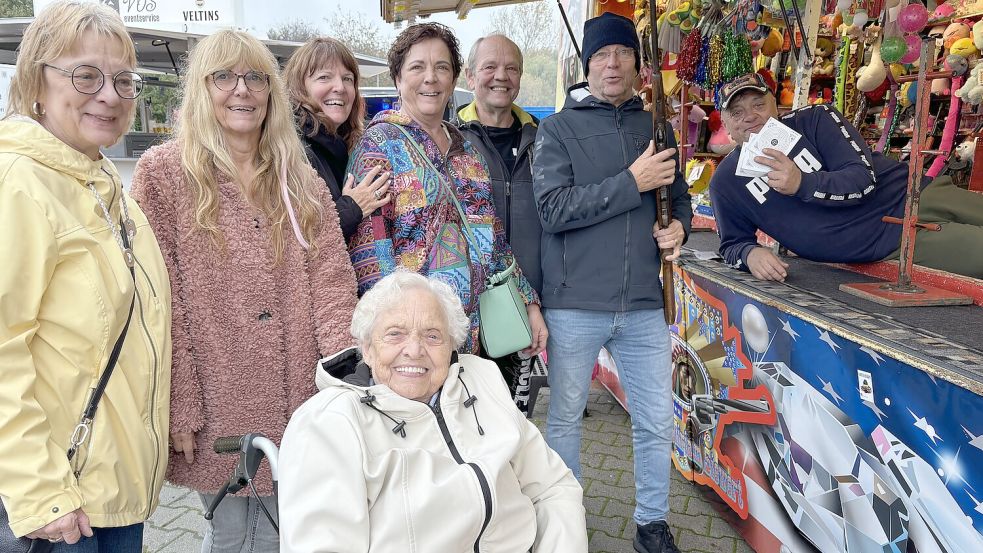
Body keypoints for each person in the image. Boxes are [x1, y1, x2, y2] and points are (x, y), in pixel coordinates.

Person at [130, 30, 358, 553]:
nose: (243, 90)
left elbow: (331, 281)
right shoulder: (163, 173)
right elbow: (157, 300)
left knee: (293, 523)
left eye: (256, 77)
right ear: (200, 89)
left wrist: (347, 375)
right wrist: (179, 405)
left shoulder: (298, 176)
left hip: (299, 390)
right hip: (216, 394)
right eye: (224, 77)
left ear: (272, 92)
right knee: (233, 531)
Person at [0, 2, 171, 551]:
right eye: (86, 75)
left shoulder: (104, 186)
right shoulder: (18, 185)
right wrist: (40, 490)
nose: (109, 94)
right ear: (36, 84)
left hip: (110, 491)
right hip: (57, 504)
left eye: (124, 79)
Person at [278, 271, 588, 553]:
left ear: (452, 345)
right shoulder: (328, 423)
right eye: (395, 333)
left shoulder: (482, 379)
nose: (414, 349)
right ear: (367, 349)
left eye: (432, 335)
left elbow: (553, 487)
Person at [532, 12, 692, 553]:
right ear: (588, 65)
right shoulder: (556, 129)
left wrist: (679, 230)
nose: (613, 63)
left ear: (638, 64)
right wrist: (631, 182)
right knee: (566, 423)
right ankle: (567, 521)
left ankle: (652, 524)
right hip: (574, 304)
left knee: (656, 423)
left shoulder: (659, 127)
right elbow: (552, 209)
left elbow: (682, 203)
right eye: (602, 55)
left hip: (645, 304)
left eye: (623, 53)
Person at [347, 22, 546, 356]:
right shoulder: (379, 147)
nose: (431, 78)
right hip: (412, 340)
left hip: (470, 334)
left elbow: (494, 241)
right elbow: (370, 252)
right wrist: (392, 334)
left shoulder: (466, 152)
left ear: (454, 79)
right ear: (398, 78)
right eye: (417, 67)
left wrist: (529, 303)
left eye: (442, 67)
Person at [711, 71, 983, 280]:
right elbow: (732, 243)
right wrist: (749, 254)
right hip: (886, 245)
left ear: (775, 106)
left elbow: (862, 179)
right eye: (737, 112)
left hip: (917, 194)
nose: (750, 116)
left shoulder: (814, 119)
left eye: (758, 104)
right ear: (726, 126)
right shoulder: (725, 182)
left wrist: (803, 183)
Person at [456, 33, 546, 408]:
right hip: (468, 308)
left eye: (511, 68)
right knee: (467, 412)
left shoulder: (544, 141)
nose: (501, 76)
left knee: (515, 416)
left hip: (527, 305)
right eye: (490, 67)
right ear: (469, 75)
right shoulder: (449, 141)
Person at [284, 37, 392, 241]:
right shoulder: (290, 149)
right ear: (300, 87)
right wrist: (353, 207)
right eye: (324, 77)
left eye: (347, 79)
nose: (340, 87)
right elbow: (296, 238)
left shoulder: (346, 144)